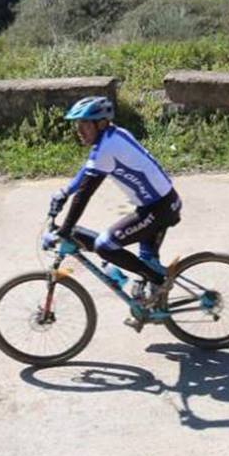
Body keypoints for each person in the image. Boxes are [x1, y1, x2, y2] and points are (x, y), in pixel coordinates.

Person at [48, 96, 182, 327]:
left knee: (105, 244)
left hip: (158, 209)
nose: (79, 130)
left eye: (84, 125)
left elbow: (85, 193)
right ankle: (149, 303)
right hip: (157, 205)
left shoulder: (108, 147)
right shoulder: (112, 136)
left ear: (100, 123)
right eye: (77, 125)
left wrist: (66, 228)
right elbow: (87, 170)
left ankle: (159, 281)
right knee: (143, 263)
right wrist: (64, 191)